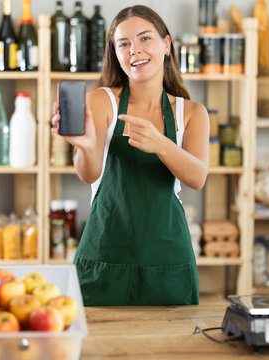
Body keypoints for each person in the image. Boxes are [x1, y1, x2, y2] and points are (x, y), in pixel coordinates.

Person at [52, 5, 209, 306]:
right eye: (124, 44)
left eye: (144, 38)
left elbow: (197, 177)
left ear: (166, 44)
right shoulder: (102, 102)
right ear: (116, 53)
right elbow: (89, 174)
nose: (134, 50)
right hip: (104, 257)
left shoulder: (191, 113)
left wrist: (161, 144)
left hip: (168, 261)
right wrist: (85, 146)